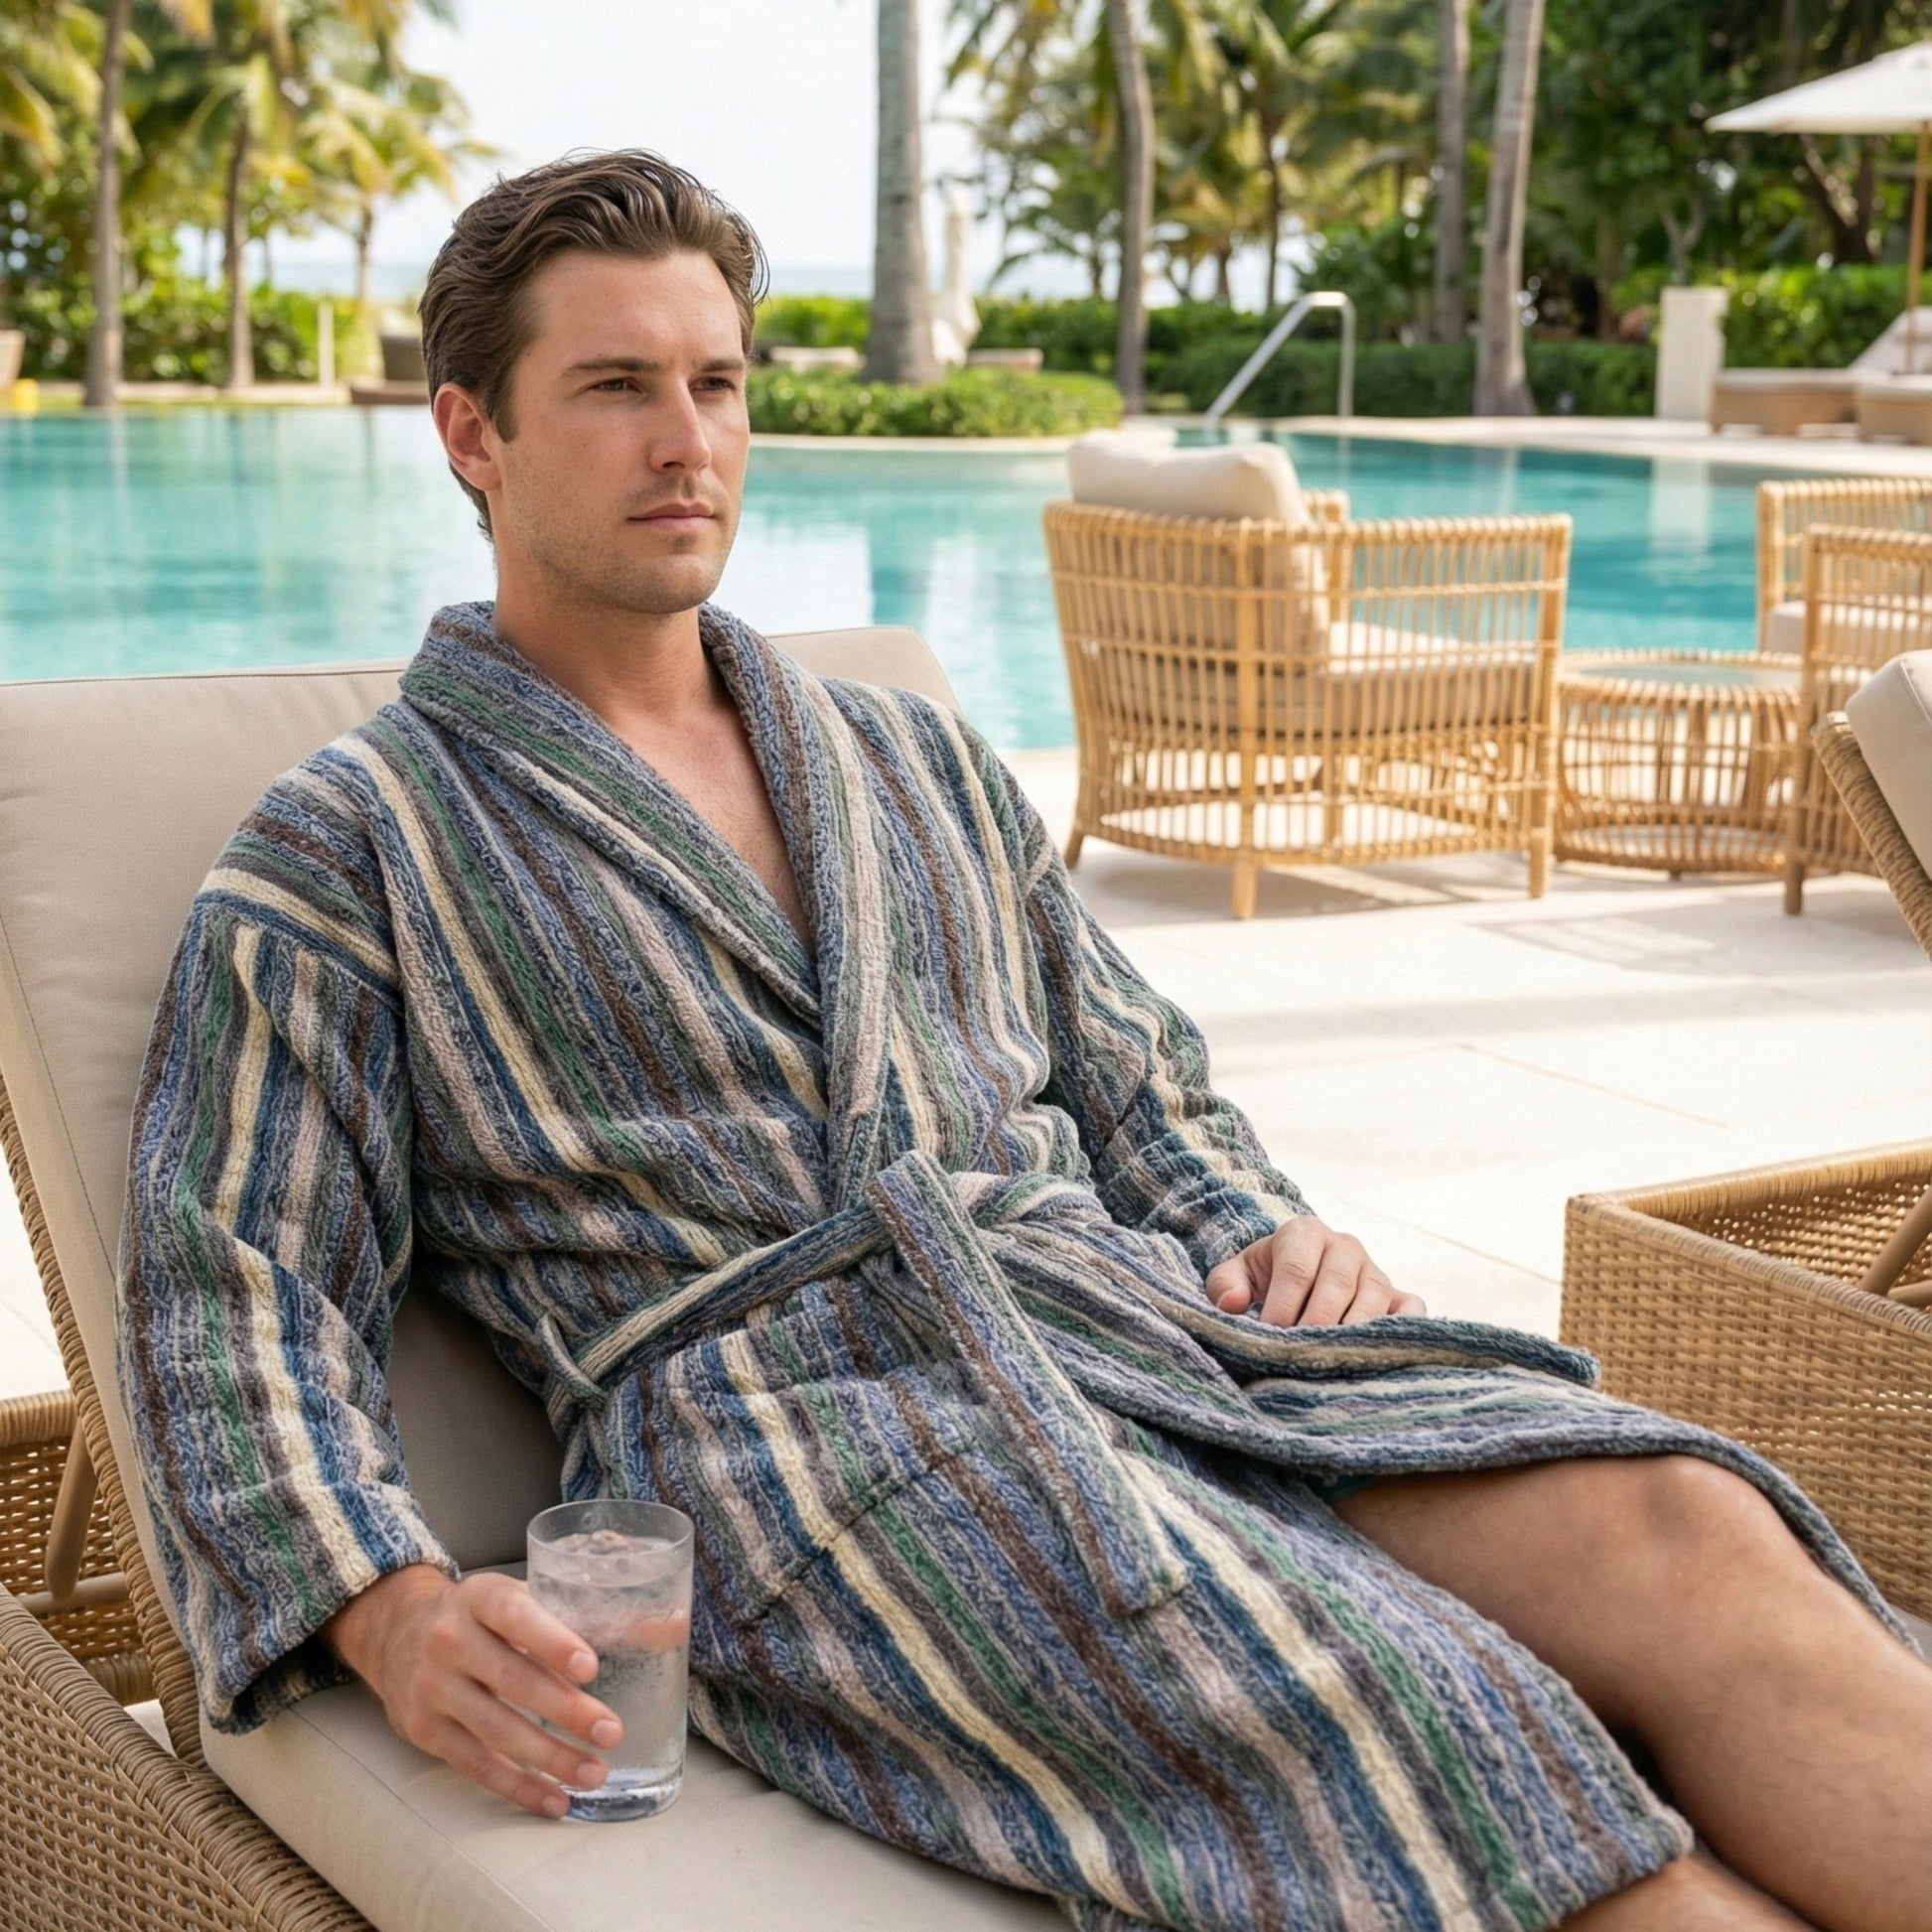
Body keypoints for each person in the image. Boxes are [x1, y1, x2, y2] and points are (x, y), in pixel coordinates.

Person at [119, 151, 1931, 1932]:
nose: (686, 440)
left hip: (1137, 1332)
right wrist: (385, 1604)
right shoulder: (353, 845)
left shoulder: (905, 753)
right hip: (812, 1457)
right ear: (471, 433)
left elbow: (1135, 1078)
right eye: (614, 387)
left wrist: (1255, 1220)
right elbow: (231, 1280)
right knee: (1436, 1734)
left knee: (1690, 1525)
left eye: (716, 383)